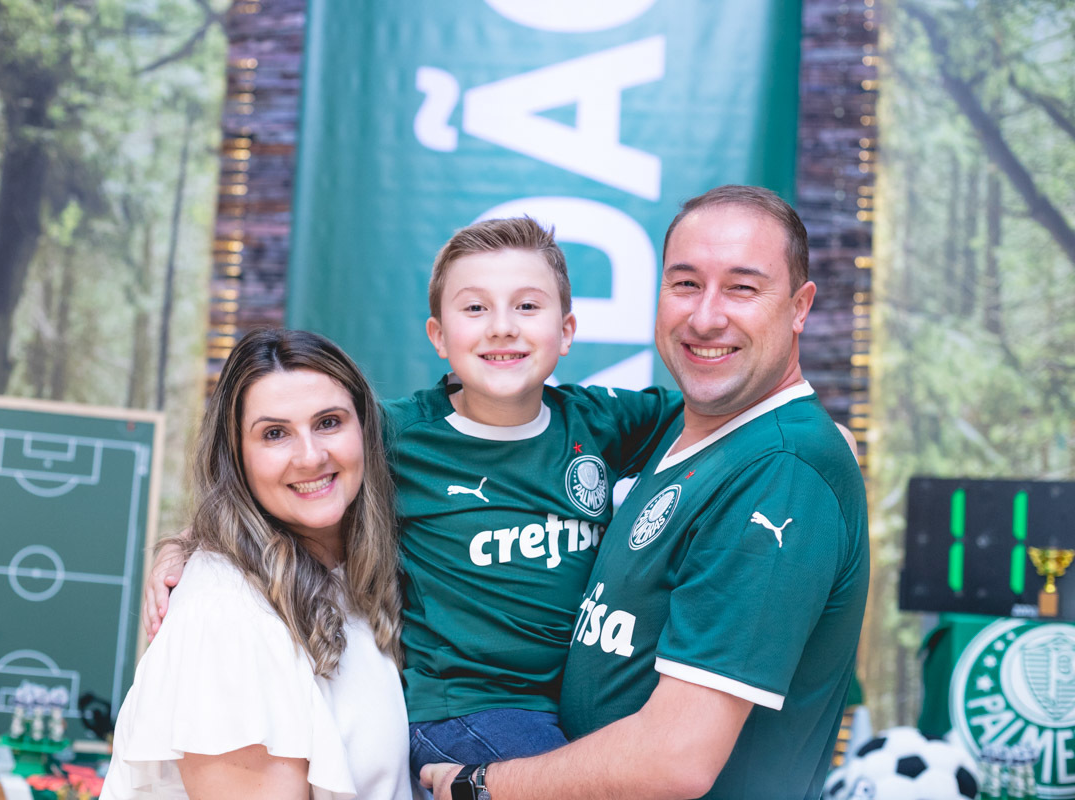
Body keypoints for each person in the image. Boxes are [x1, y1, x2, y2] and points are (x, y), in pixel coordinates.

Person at [143, 218, 683, 776]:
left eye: (527, 307)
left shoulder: (604, 421)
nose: (502, 328)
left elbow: (720, 410)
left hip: (566, 703)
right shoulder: (393, 432)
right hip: (466, 712)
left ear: (567, 330)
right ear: (439, 336)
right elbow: (293, 477)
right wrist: (185, 545)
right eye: (474, 309)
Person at [422, 185, 870, 800]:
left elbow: (676, 759)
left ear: (799, 306)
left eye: (742, 287)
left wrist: (483, 785)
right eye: (685, 284)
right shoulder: (689, 430)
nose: (707, 316)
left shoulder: (781, 472)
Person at [102, 328, 412, 799]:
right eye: (274, 434)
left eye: (329, 422)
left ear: (365, 430)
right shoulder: (224, 616)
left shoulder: (358, 572)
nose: (311, 456)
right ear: (236, 457)